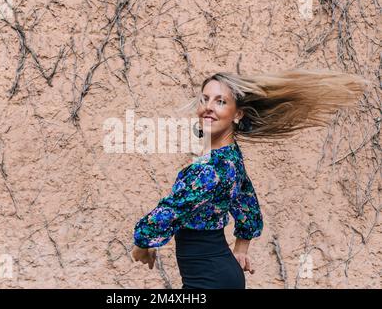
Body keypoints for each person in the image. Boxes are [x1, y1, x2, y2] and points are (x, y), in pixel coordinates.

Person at [131, 69, 368, 289]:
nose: (208, 107)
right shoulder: (228, 157)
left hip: (209, 281)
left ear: (237, 114)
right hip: (218, 276)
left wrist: (142, 243)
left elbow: (170, 211)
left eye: (220, 101)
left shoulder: (210, 169)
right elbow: (248, 206)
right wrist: (241, 248)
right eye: (205, 99)